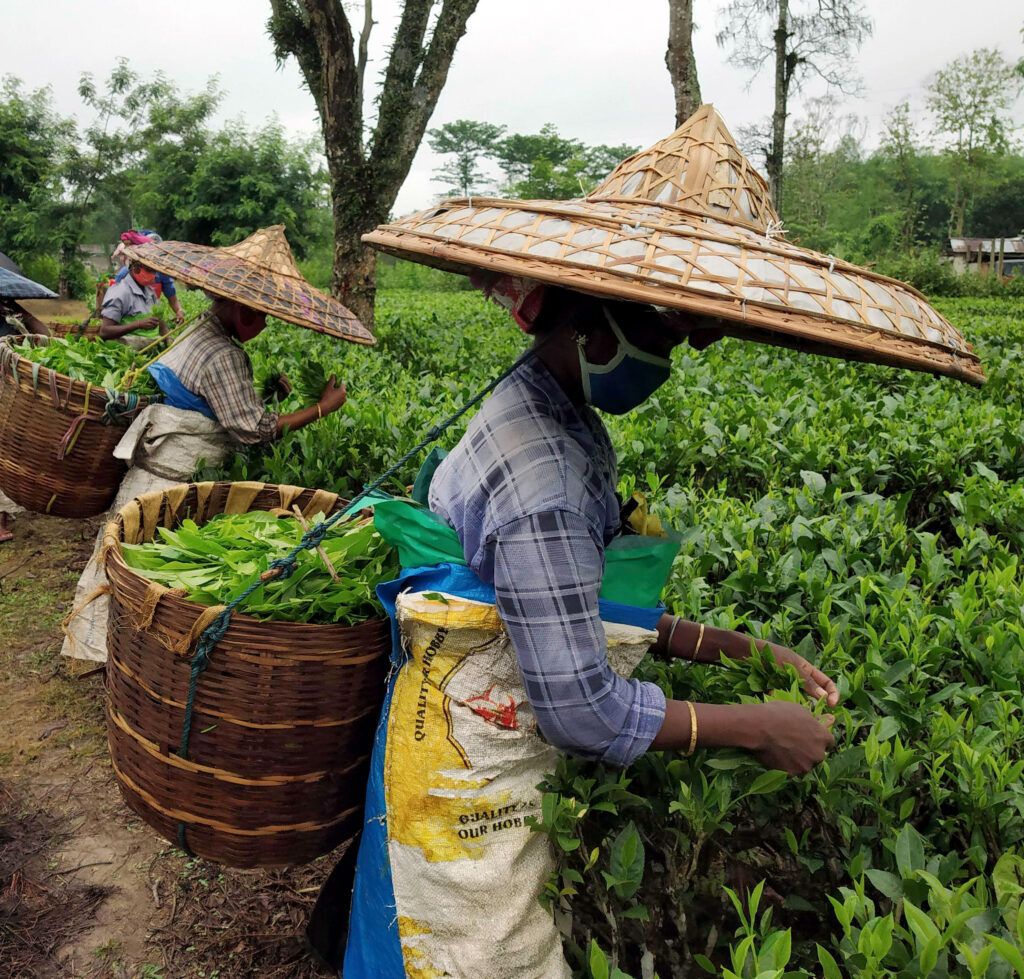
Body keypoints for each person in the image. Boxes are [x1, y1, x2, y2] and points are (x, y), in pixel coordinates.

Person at [62, 224, 372, 662]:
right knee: (145, 566)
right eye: (262, 315)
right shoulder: (225, 355)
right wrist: (323, 407)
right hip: (172, 475)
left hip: (152, 466)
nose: (263, 324)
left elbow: (218, 406)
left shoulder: (197, 328)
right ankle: (121, 655)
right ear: (243, 309)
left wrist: (267, 395)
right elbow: (253, 431)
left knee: (122, 552)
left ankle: (97, 646)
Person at [97, 259, 179, 344]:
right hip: (129, 351)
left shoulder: (149, 291)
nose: (153, 275)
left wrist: (167, 337)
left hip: (151, 348)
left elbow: (159, 322)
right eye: (149, 271)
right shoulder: (120, 293)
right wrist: (137, 324)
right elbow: (104, 331)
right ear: (136, 269)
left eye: (154, 271)